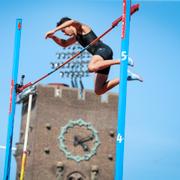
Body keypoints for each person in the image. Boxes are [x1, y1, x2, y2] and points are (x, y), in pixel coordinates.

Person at [45, 17, 143, 95]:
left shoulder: (82, 28)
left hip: (103, 50)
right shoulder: (76, 37)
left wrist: (54, 30)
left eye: (63, 31)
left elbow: (72, 21)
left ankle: (122, 61)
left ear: (68, 26)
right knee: (98, 90)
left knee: (91, 67)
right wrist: (53, 37)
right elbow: (64, 44)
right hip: (101, 58)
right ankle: (125, 77)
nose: (64, 34)